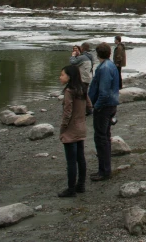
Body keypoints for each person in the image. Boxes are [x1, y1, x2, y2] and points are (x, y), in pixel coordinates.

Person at [58, 64, 92, 197]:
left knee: (71, 161)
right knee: (80, 158)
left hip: (71, 129)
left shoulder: (69, 91)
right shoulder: (82, 88)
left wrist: (63, 127)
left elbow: (67, 112)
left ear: (69, 76)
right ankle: (81, 185)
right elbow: (89, 106)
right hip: (81, 127)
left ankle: (71, 189)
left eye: (62, 75)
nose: (60, 77)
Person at [88, 42, 119, 181]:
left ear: (97, 53)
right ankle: (104, 169)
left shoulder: (105, 68)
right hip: (110, 105)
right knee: (104, 137)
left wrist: (96, 106)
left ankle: (104, 171)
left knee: (101, 139)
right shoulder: (110, 65)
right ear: (109, 53)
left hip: (105, 107)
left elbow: (104, 91)